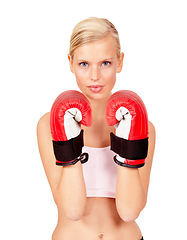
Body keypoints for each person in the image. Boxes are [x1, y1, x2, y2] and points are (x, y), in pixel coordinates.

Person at [37, 17, 155, 240]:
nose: (94, 76)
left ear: (120, 62)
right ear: (70, 62)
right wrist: (69, 138)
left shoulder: (143, 125)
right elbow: (72, 210)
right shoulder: (48, 124)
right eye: (84, 64)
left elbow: (130, 211)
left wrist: (129, 140)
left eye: (105, 63)